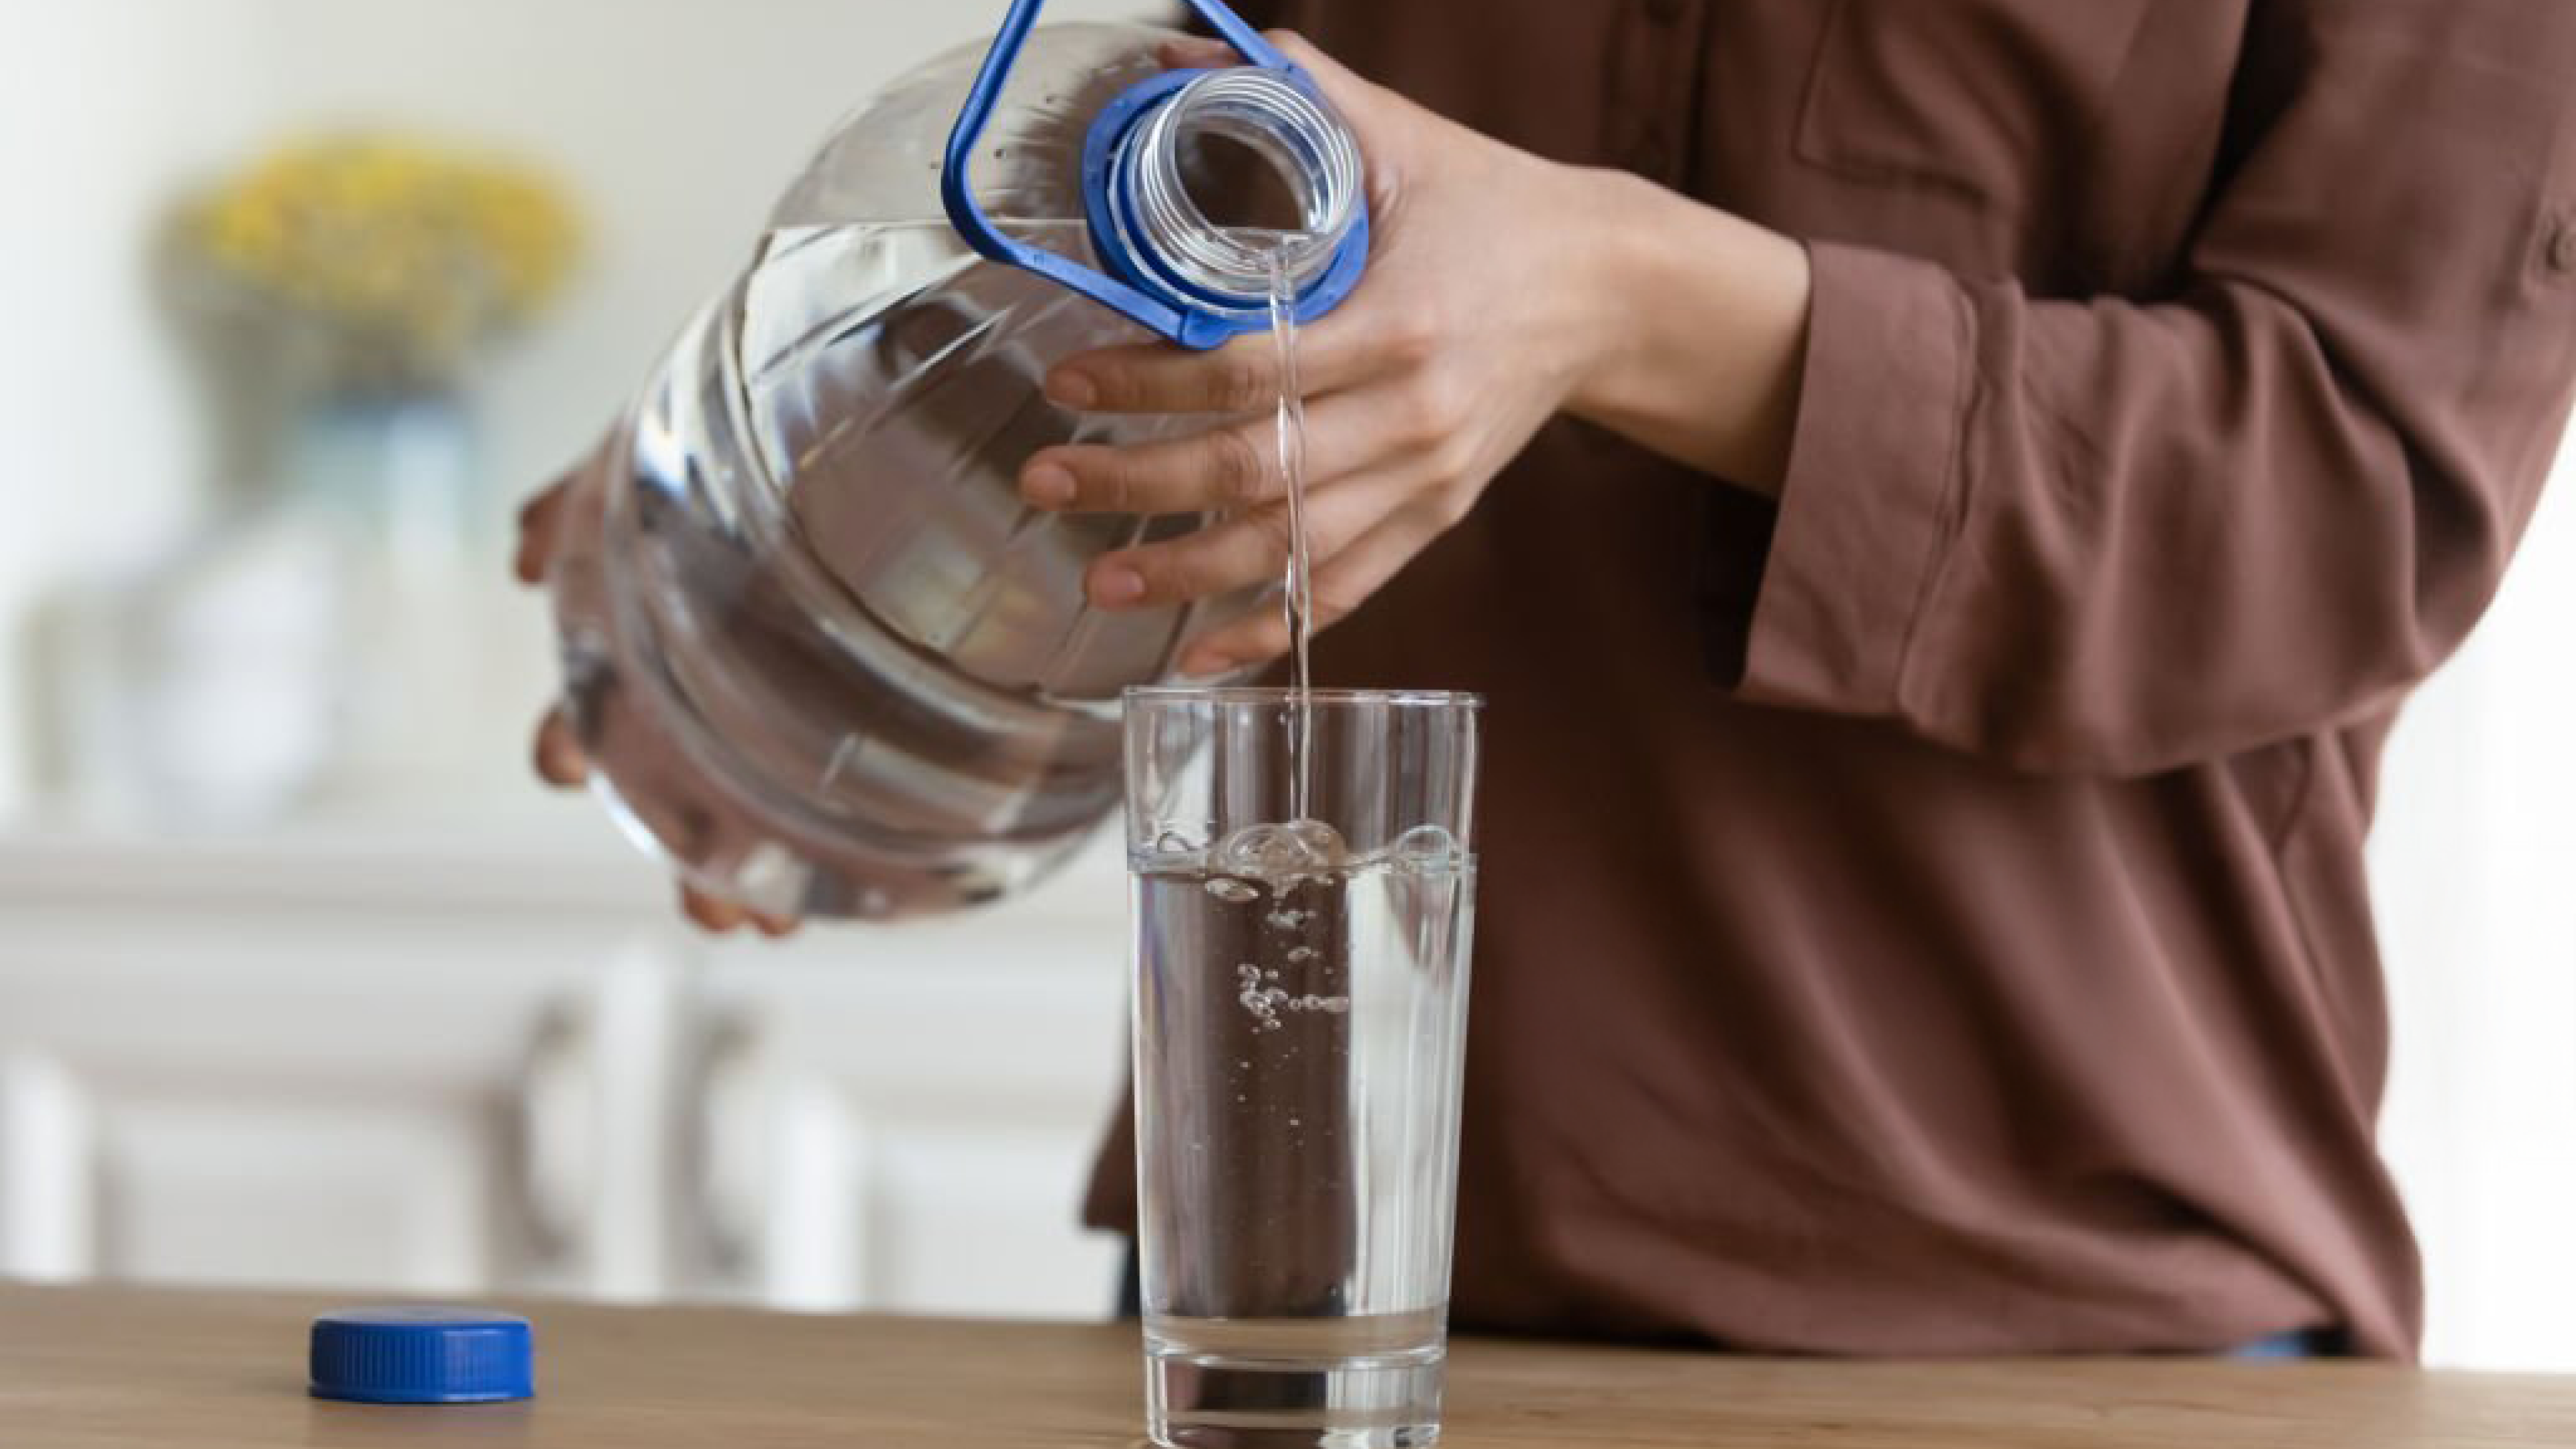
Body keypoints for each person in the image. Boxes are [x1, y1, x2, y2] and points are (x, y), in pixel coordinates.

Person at [521, 1, 2576, 1358]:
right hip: (1294, 1297)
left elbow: (2352, 499)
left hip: (2058, 1320)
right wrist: (805, 506)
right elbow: (1218, 232)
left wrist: (1621, 293)